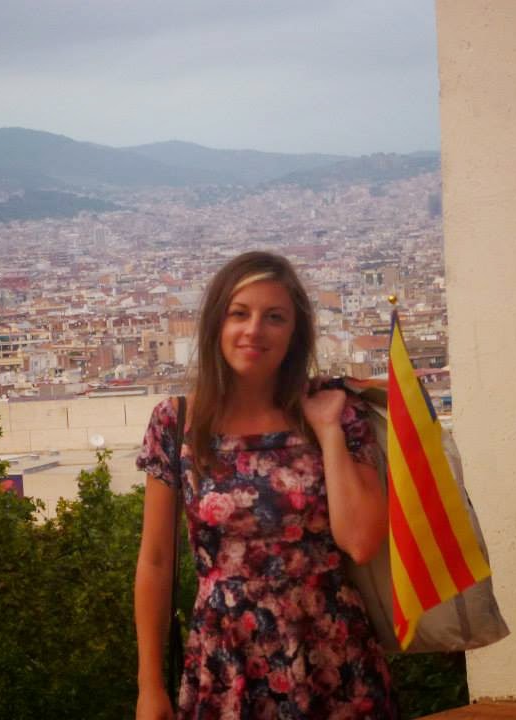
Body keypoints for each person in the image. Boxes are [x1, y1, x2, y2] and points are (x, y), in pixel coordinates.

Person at [134, 251, 396, 720]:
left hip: (331, 654)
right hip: (225, 656)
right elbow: (155, 561)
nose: (254, 330)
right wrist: (149, 687)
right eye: (239, 313)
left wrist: (328, 432)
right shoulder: (176, 422)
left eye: (274, 317)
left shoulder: (338, 413)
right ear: (216, 323)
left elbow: (360, 541)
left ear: (295, 333)